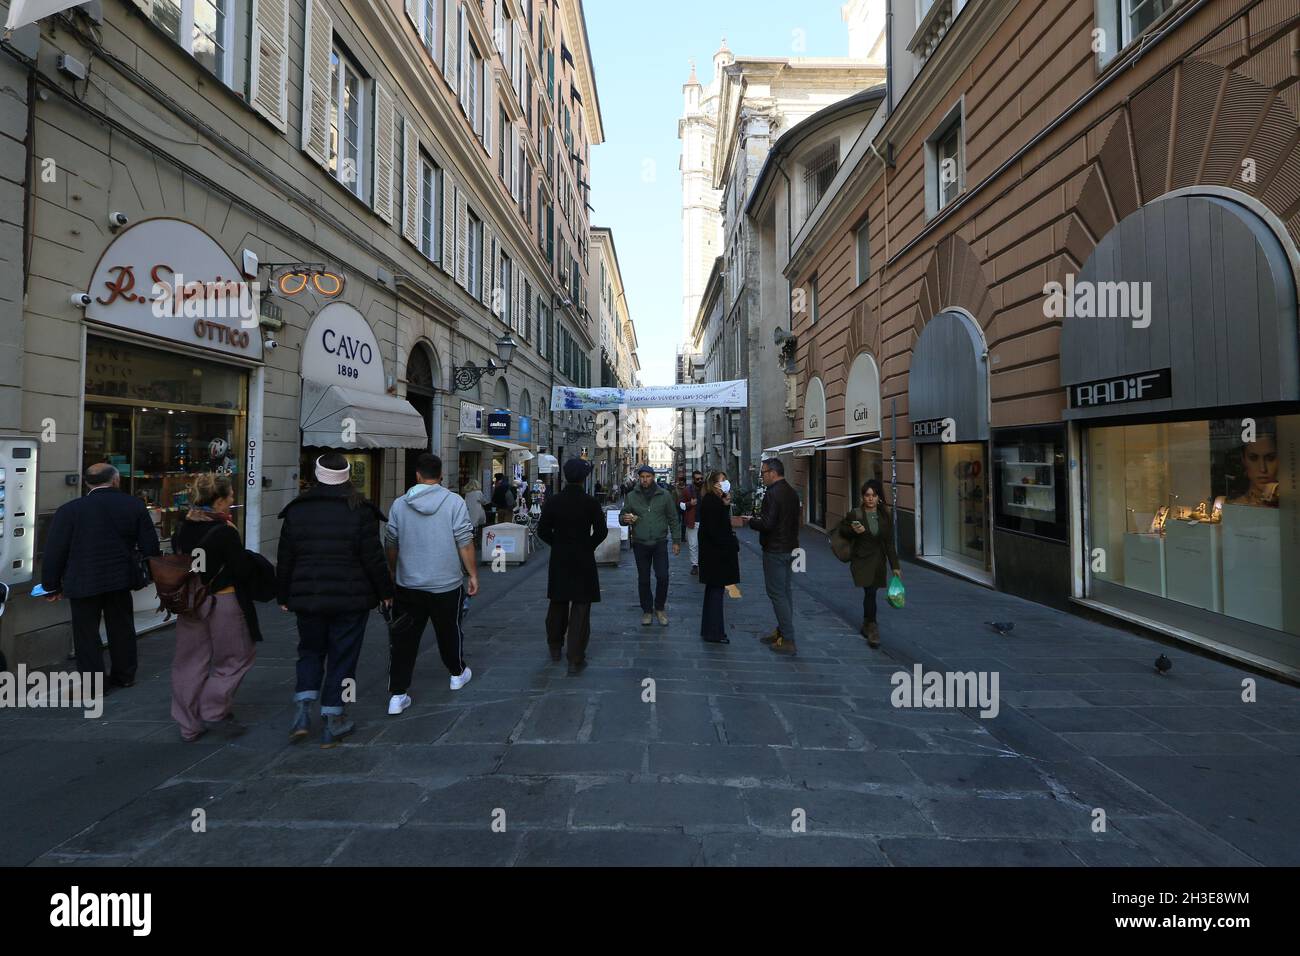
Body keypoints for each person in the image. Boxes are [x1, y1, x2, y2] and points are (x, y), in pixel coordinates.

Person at [277, 454, 393, 747]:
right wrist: (386, 592)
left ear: (317, 475)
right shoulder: (359, 509)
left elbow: (285, 558)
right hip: (350, 600)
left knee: (310, 651)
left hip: (309, 598)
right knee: (344, 656)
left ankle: (303, 711)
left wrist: (283, 595)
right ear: (346, 475)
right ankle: (334, 718)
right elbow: (373, 558)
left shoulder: (298, 510)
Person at [41, 462, 161, 688]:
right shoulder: (134, 505)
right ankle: (124, 676)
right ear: (115, 480)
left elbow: (55, 550)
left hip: (82, 580)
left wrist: (51, 585)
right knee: (122, 628)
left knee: (86, 634)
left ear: (87, 483)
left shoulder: (69, 510)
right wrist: (152, 574)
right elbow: (150, 546)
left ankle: (93, 685)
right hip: (120, 578)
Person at [170, 473, 262, 741]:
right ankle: (213, 708)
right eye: (231, 495)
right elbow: (241, 569)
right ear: (220, 501)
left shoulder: (182, 526)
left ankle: (188, 724)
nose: (233, 499)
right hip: (223, 598)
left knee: (189, 661)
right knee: (237, 656)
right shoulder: (224, 531)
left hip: (190, 601)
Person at [384, 453, 478, 714]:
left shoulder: (400, 504)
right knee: (449, 631)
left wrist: (393, 571)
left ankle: (398, 695)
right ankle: (457, 674)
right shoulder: (453, 502)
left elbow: (391, 542)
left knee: (403, 639)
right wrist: (472, 574)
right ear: (440, 476)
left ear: (417, 475)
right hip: (445, 584)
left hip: (408, 584)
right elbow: (464, 541)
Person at [537, 457, 608, 674]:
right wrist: (588, 545)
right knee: (581, 607)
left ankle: (555, 646)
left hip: (560, 558)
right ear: (584, 478)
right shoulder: (591, 503)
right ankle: (575, 656)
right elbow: (602, 531)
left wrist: (557, 544)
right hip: (583, 559)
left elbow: (542, 530)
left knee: (557, 603)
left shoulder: (554, 501)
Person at [740, 457, 801, 656]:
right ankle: (783, 632)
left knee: (777, 594)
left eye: (764, 472)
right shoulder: (791, 492)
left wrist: (751, 521)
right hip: (790, 547)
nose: (762, 476)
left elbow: (767, 524)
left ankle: (789, 638)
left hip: (775, 549)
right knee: (785, 592)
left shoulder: (773, 493)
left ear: (773, 473)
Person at [837, 479, 901, 648]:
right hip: (861, 560)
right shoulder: (856, 514)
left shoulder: (884, 517)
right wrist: (852, 530)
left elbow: (889, 543)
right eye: (867, 495)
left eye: (873, 495)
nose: (870, 499)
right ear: (863, 497)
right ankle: (872, 627)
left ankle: (867, 623)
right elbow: (842, 530)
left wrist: (895, 566)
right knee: (870, 591)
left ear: (879, 497)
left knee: (870, 592)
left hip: (878, 560)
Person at [620, 464, 682, 626]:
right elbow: (622, 515)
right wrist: (625, 518)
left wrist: (676, 540)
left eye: (648, 477)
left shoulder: (664, 495)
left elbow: (673, 519)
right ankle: (647, 610)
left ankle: (660, 608)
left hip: (660, 541)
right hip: (640, 543)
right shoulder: (632, 496)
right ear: (639, 478)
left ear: (653, 477)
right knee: (644, 579)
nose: (645, 480)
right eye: (642, 477)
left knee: (663, 576)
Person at [697, 470, 739, 644]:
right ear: (714, 484)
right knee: (716, 593)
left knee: (713, 592)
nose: (725, 483)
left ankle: (709, 630)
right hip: (717, 555)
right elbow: (717, 530)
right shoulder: (711, 501)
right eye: (723, 480)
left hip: (713, 554)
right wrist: (730, 544)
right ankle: (714, 633)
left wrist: (726, 504)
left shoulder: (713, 500)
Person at [682, 470, 703, 575]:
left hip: (705, 521)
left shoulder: (706, 489)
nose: (700, 480)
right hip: (692, 521)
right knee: (693, 545)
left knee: (703, 544)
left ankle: (703, 564)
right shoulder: (687, 490)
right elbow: (680, 505)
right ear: (693, 480)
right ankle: (695, 565)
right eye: (697, 479)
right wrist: (690, 503)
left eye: (701, 478)